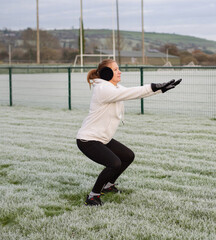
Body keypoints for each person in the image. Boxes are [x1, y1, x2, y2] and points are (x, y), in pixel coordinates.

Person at [76, 59, 181, 206]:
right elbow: (130, 93)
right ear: (107, 73)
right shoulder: (103, 89)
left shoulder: (114, 87)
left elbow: (135, 93)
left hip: (102, 138)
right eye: (116, 69)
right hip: (88, 140)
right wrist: (154, 86)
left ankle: (108, 185)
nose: (120, 72)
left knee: (128, 156)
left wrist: (160, 89)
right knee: (114, 163)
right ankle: (93, 196)